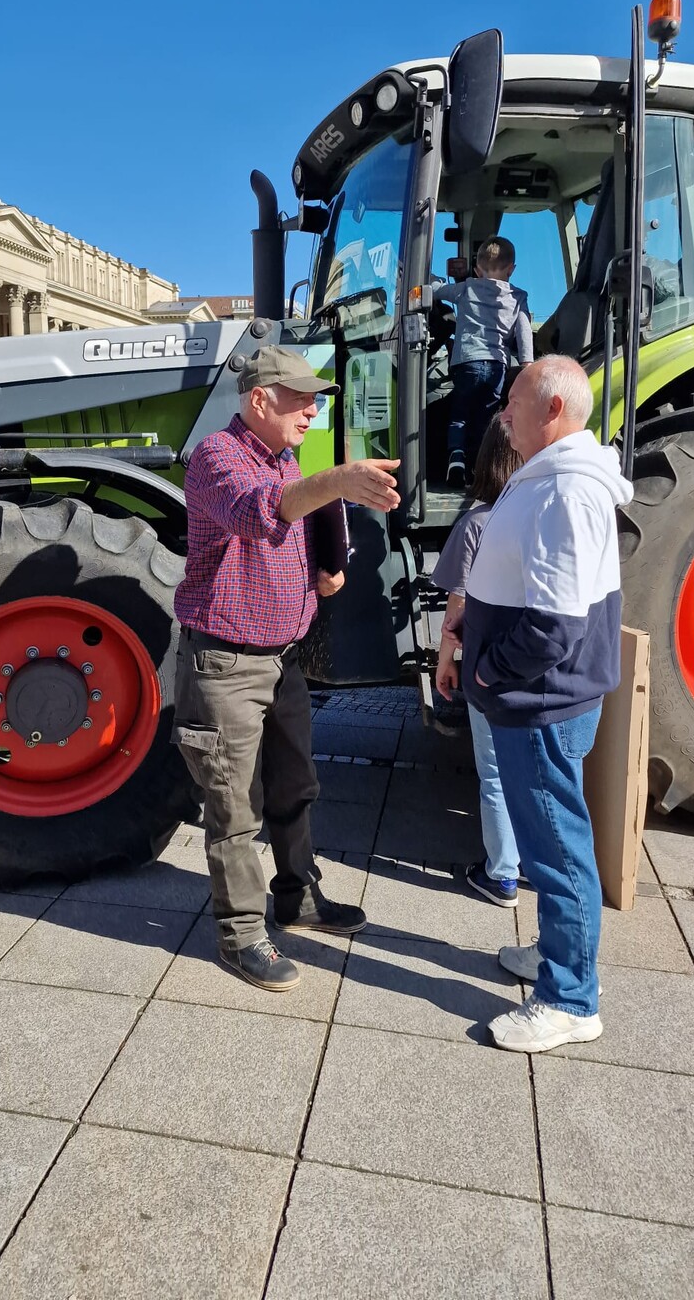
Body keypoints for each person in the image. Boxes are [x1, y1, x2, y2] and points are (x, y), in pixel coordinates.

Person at [173, 344, 400, 991]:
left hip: (281, 660)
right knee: (233, 805)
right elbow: (257, 511)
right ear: (258, 400)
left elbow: (294, 519)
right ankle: (240, 935)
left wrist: (322, 570)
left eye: (314, 396)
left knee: (294, 787)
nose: (313, 407)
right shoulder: (219, 458)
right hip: (227, 664)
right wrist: (335, 482)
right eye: (299, 396)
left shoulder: (285, 458)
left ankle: (296, 897)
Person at [455, 356, 633, 1052]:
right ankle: (559, 958)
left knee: (557, 850)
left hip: (539, 701)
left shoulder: (563, 490)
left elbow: (554, 625)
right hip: (538, 698)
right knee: (549, 841)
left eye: (514, 402)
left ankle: (569, 999)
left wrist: (492, 673)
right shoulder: (557, 478)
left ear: (552, 410)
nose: (502, 414)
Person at [433, 414, 522, 907]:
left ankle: (502, 874)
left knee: (495, 773)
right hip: (538, 667)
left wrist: (447, 660)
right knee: (535, 772)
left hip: (489, 669)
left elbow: (457, 607)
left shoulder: (477, 523)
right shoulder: (546, 515)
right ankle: (533, 865)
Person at [433, 236, 533, 486]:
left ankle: (456, 460)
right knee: (486, 417)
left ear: (477, 269)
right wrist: (526, 364)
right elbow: (524, 331)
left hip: (466, 363)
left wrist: (429, 280)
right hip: (497, 366)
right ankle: (480, 467)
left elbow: (437, 291)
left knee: (459, 414)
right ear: (512, 269)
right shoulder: (518, 297)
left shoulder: (467, 287)